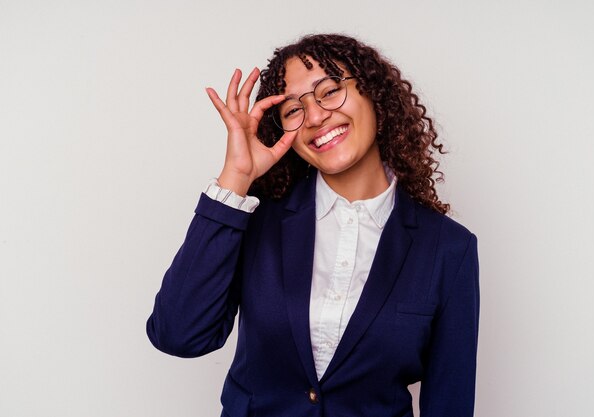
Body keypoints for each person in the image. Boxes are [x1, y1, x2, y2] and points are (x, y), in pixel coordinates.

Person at [147, 33, 479, 417]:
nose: (316, 116)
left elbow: (450, 402)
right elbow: (178, 335)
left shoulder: (448, 248)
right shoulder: (257, 220)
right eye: (293, 109)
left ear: (373, 94)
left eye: (329, 90)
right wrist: (235, 178)